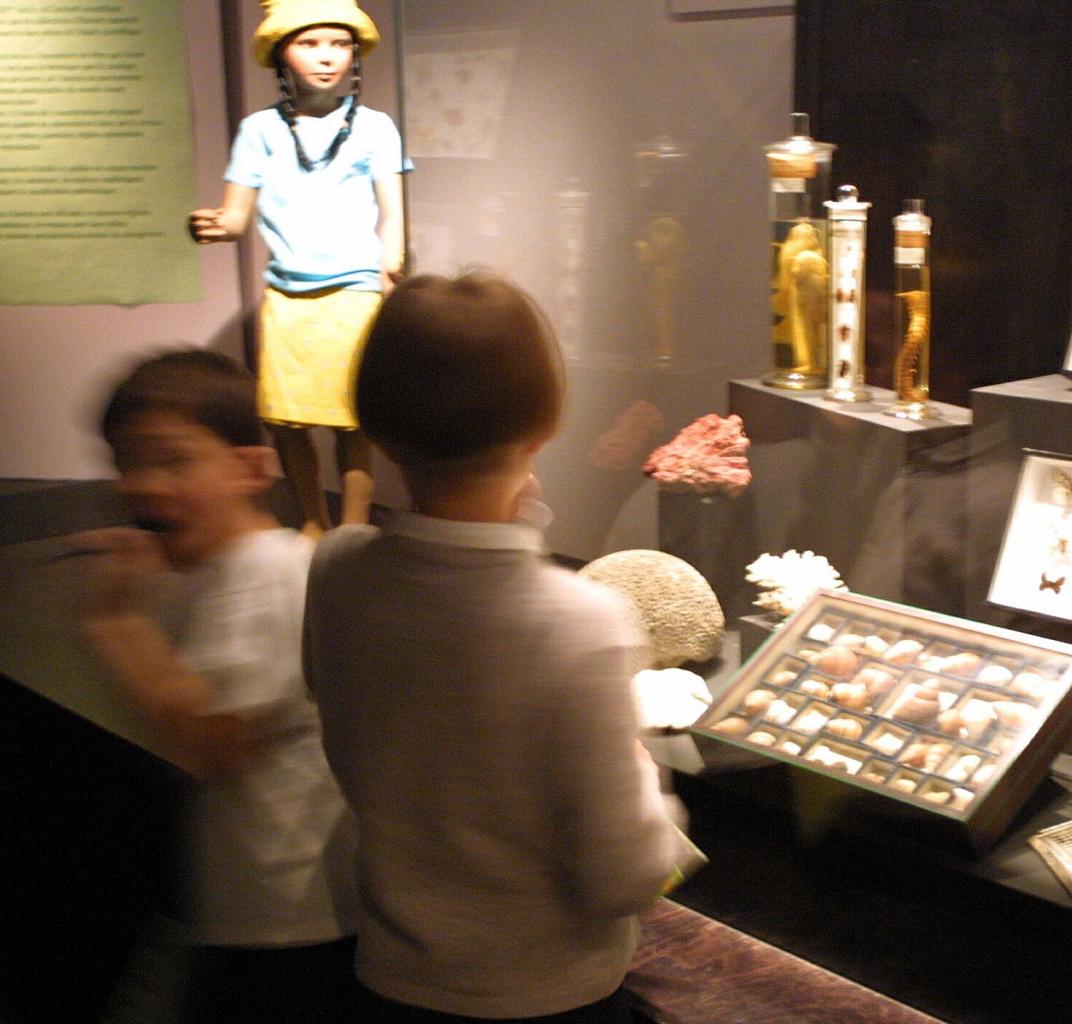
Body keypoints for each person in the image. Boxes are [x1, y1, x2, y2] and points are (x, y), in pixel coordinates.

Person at [303, 272, 690, 1023]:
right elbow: (628, 876)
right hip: (551, 998)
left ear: (375, 432)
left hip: (387, 982)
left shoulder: (337, 568)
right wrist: (647, 786)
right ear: (543, 427)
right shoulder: (585, 624)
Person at [77, 349, 357, 1024]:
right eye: (128, 462)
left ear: (251, 468)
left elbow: (212, 744)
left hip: (289, 916)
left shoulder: (261, 574)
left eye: (173, 460)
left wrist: (114, 620)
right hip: (262, 904)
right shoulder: (217, 568)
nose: (143, 483)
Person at [189, 0, 407, 538]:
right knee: (288, 419)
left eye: (338, 43)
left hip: (355, 290)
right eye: (310, 43)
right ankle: (313, 519)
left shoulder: (376, 128)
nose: (326, 57)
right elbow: (237, 216)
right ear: (281, 54)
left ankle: (352, 528)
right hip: (288, 293)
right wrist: (214, 225)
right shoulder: (260, 130)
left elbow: (394, 213)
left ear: (354, 52)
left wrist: (394, 264)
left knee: (355, 421)